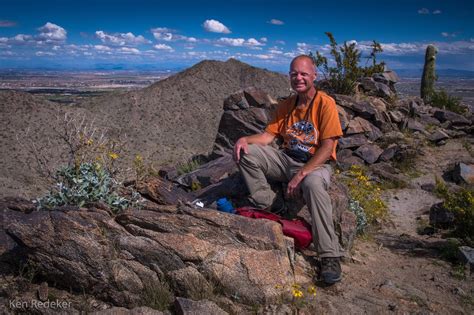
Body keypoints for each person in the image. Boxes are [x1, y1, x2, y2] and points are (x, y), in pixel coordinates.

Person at [233, 55, 344, 284]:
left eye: (304, 73)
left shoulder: (325, 103)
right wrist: (244, 139)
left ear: (314, 76)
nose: (299, 78)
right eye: (294, 73)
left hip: (314, 163)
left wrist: (301, 174)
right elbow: (267, 136)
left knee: (313, 185)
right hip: (285, 159)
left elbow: (327, 147)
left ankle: (329, 255)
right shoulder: (286, 105)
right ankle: (274, 206)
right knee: (246, 152)